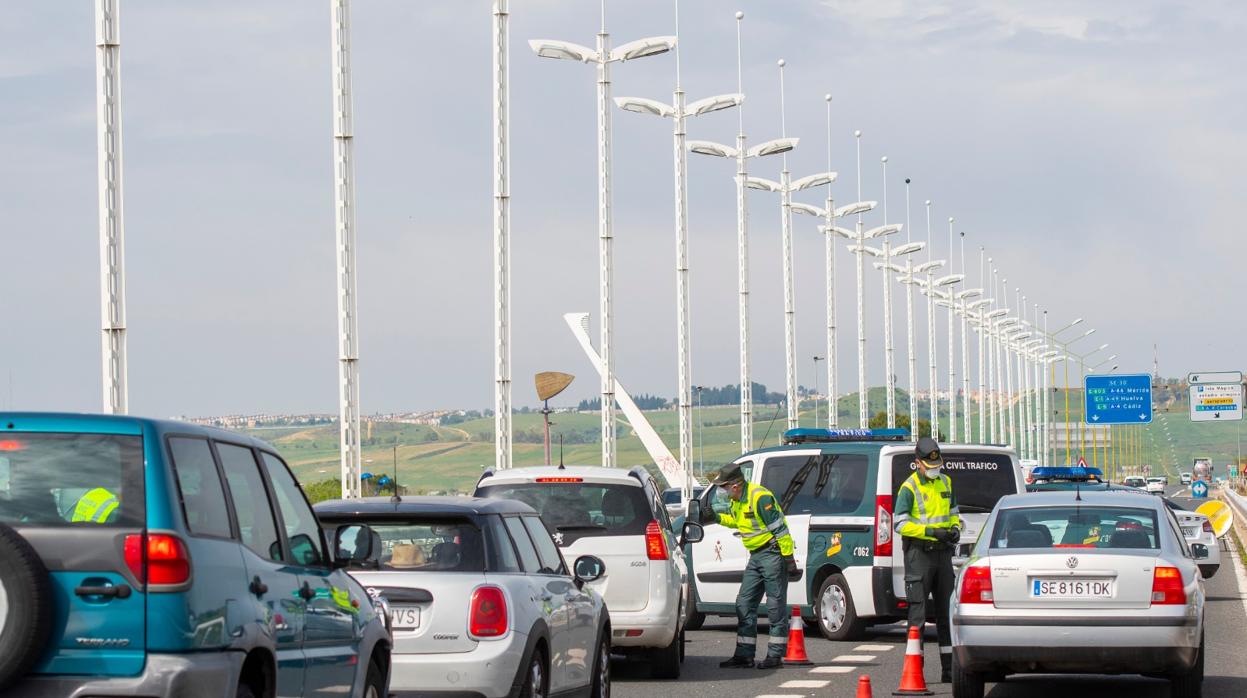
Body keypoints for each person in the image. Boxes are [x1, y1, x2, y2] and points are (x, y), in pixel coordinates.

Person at [703, 462, 798, 669]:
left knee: (775, 606)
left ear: (735, 485)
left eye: (724, 486)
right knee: (744, 603)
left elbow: (780, 529)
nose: (722, 491)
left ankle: (775, 656)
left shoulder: (759, 497)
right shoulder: (737, 500)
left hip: (772, 553)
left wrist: (788, 557)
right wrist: (716, 517)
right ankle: (744, 655)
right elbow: (739, 522)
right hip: (756, 557)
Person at [894, 436, 961, 682]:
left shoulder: (947, 482)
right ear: (918, 463)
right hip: (919, 555)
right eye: (930, 466)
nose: (935, 470)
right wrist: (930, 531)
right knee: (918, 615)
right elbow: (900, 524)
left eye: (937, 465)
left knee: (947, 613)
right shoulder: (908, 488)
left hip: (943, 554)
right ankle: (915, 671)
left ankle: (950, 669)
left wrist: (955, 529)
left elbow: (954, 513)